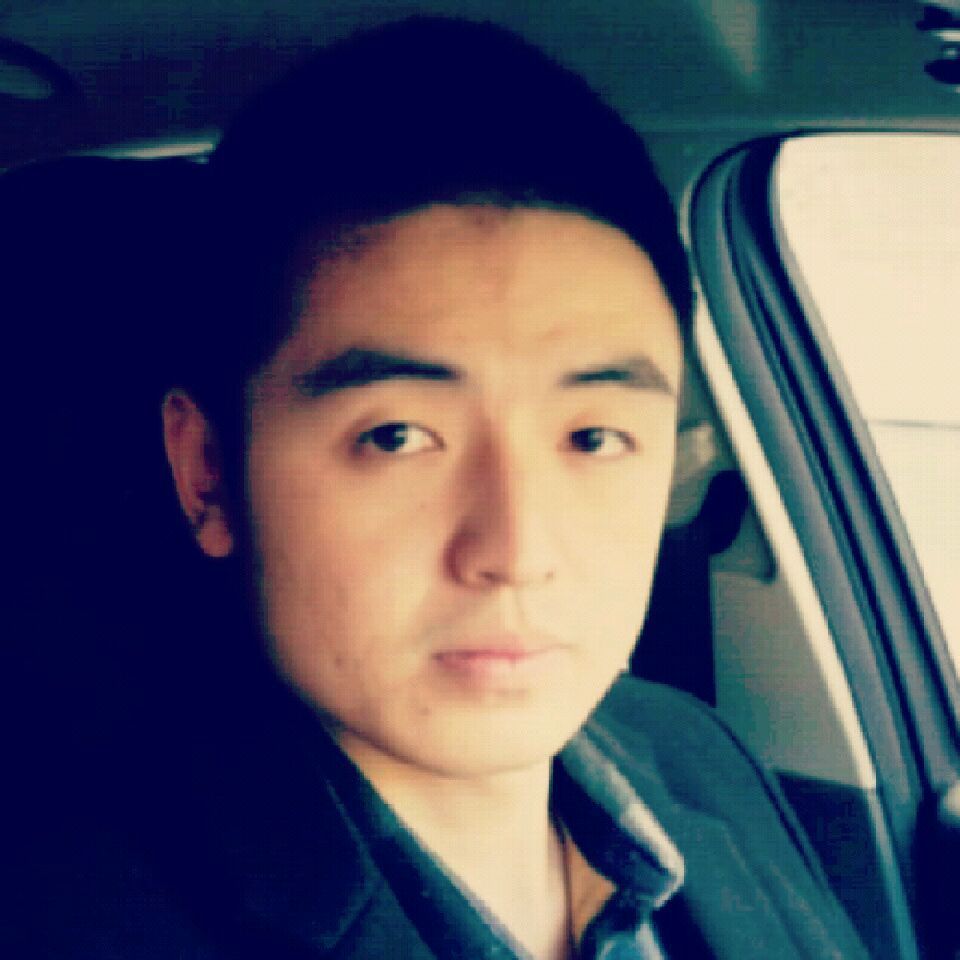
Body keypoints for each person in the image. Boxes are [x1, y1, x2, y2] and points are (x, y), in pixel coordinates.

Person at [8, 16, 868, 960]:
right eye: (397, 437)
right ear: (208, 473)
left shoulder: (697, 753)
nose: (517, 553)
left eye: (593, 438)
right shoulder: (66, 915)